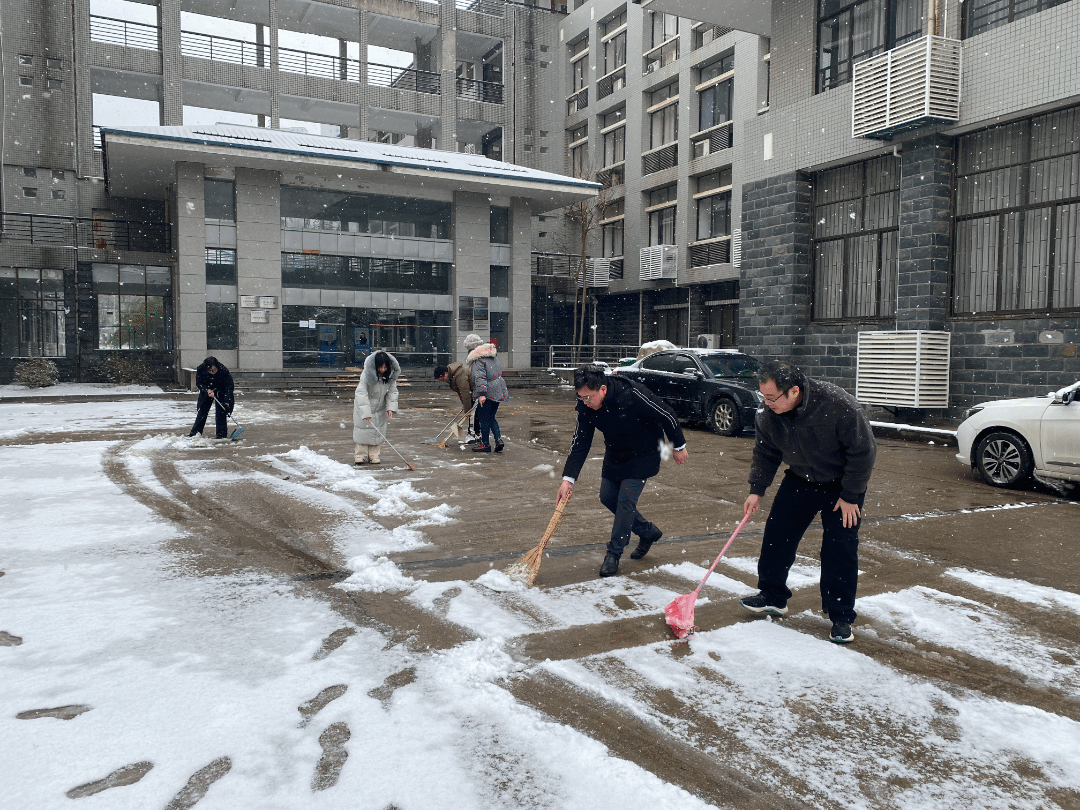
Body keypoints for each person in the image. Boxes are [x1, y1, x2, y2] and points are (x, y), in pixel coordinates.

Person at [740, 360, 877, 644]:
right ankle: (773, 596)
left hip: (841, 486)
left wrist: (850, 496)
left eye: (772, 398)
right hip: (800, 479)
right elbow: (765, 451)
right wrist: (757, 490)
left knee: (840, 549)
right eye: (763, 396)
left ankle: (840, 617)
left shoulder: (839, 406)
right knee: (777, 535)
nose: (766, 404)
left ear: (794, 391)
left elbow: (863, 452)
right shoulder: (768, 414)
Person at [556, 364, 688, 578]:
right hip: (616, 453)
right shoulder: (586, 405)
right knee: (607, 497)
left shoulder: (632, 393)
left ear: (603, 389)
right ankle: (647, 532)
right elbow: (580, 442)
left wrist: (678, 446)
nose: (585, 402)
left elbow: (667, 414)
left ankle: (614, 553)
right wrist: (568, 479)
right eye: (581, 397)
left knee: (625, 501)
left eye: (588, 397)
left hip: (644, 452)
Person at [352, 350, 400, 465]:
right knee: (362, 431)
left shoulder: (389, 377)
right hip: (365, 406)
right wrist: (366, 412)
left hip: (380, 408)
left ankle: (374, 454)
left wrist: (390, 408)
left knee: (377, 432)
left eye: (385, 367)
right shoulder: (366, 375)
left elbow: (392, 392)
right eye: (380, 367)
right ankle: (360, 454)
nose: (383, 370)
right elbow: (361, 393)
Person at [465, 333, 509, 453]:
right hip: (498, 390)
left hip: (487, 392)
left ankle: (485, 444)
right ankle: (498, 439)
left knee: (484, 418)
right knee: (491, 417)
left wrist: (481, 394)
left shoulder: (478, 359)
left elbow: (480, 378)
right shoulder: (492, 355)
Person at [187, 356, 234, 439]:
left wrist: (227, 401)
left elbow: (229, 387)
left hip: (221, 391)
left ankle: (221, 434)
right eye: (210, 370)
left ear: (217, 367)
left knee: (221, 412)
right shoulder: (201, 369)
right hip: (207, 391)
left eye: (214, 370)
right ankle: (195, 433)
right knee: (202, 411)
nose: (212, 372)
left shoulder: (223, 371)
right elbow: (199, 383)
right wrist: (207, 390)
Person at [434, 362, 476, 441]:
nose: (443, 381)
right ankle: (473, 434)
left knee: (473, 415)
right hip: (472, 393)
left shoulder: (459, 375)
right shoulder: (452, 377)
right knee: (471, 414)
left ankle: (473, 435)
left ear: (446, 373)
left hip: (478, 392)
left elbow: (465, 392)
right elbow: (460, 392)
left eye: (442, 379)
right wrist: (465, 405)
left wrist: (467, 410)